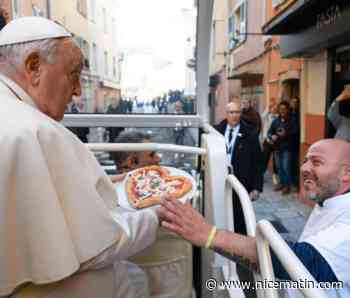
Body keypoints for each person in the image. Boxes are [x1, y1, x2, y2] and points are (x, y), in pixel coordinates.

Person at [0, 17, 159, 298]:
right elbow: (98, 245)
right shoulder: (35, 131)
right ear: (34, 66)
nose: (76, 91)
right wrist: (157, 216)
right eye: (73, 74)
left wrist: (113, 180)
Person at [157, 138, 350, 298]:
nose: (304, 168)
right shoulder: (329, 197)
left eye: (316, 162)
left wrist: (210, 235)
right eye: (305, 160)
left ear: (346, 173)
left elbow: (305, 263)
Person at [214, 101, 264, 298]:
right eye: (231, 112)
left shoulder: (250, 133)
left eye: (237, 112)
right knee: (223, 217)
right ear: (226, 113)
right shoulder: (216, 131)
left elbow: (259, 163)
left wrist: (256, 187)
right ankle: (224, 246)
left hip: (242, 185)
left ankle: (241, 257)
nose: (234, 115)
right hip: (220, 182)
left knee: (242, 221)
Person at [268, 101, 298, 194]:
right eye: (280, 109)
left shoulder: (292, 120)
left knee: (286, 167)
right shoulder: (275, 121)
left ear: (288, 110)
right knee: (279, 167)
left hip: (287, 148)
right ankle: (281, 183)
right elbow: (269, 132)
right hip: (277, 148)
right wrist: (271, 136)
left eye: (284, 109)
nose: (282, 111)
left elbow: (295, 132)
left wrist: (285, 134)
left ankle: (287, 185)